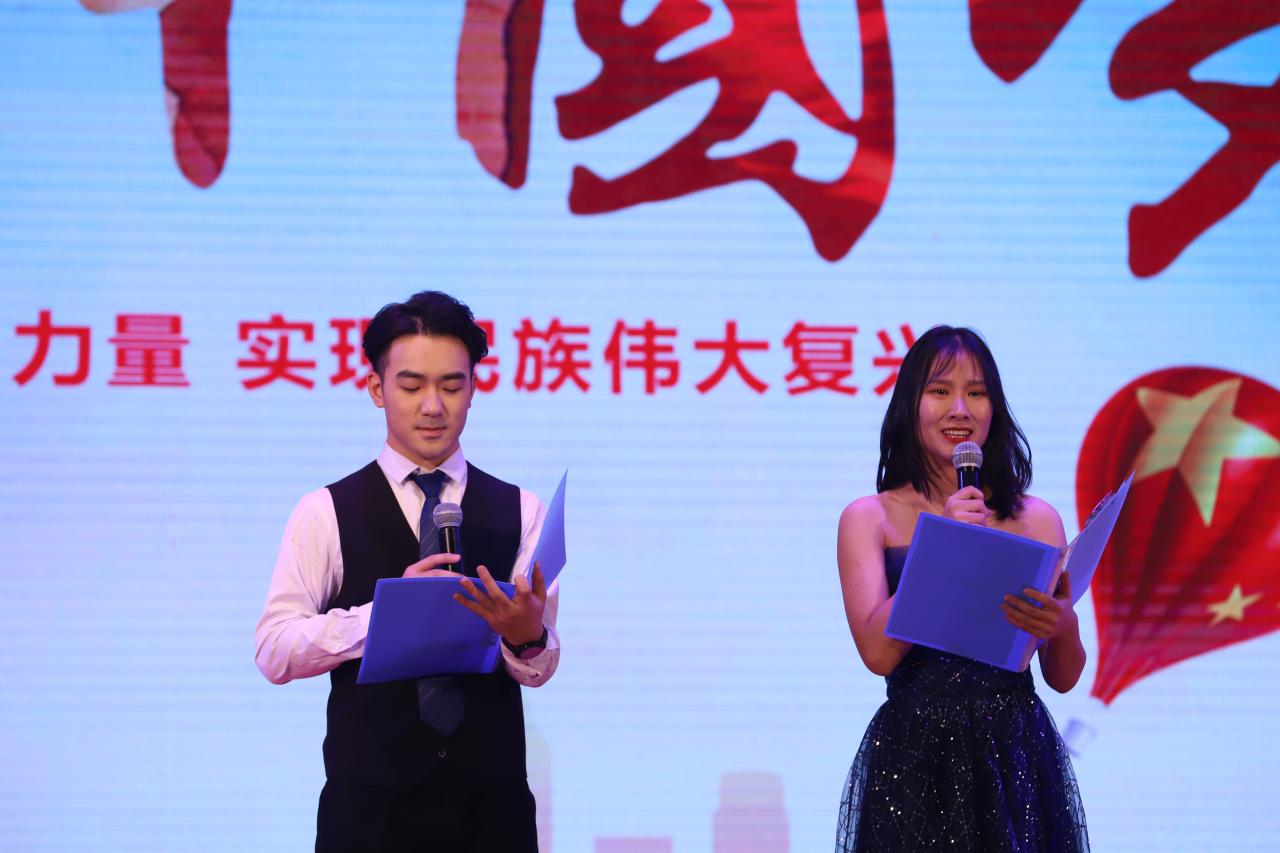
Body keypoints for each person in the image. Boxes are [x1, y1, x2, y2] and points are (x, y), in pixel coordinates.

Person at [254, 291, 558, 852]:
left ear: (474, 388)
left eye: (451, 386)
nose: (432, 406)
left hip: (492, 816)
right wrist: (382, 618)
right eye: (412, 386)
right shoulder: (324, 511)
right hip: (368, 817)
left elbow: (538, 667)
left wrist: (527, 638)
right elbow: (274, 651)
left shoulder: (523, 510)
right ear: (377, 389)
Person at [834, 325, 1089, 852]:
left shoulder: (1036, 519)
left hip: (1013, 752)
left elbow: (1062, 677)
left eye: (976, 392)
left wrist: (1063, 625)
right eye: (939, 391)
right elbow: (878, 653)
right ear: (910, 404)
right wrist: (943, 546)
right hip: (914, 754)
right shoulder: (869, 518)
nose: (959, 410)